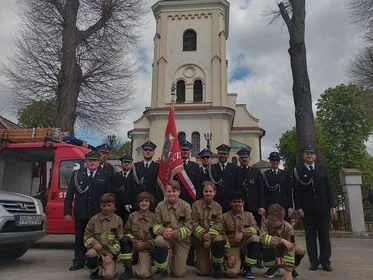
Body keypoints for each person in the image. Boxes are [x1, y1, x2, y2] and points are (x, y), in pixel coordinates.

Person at [64, 151, 111, 271]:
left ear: (98, 162)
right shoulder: (77, 174)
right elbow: (69, 195)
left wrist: (109, 212)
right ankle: (78, 261)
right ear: (86, 162)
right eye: (90, 160)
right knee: (79, 238)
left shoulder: (104, 175)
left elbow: (109, 196)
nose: (92, 163)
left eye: (94, 160)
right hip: (81, 213)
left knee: (98, 239)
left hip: (97, 215)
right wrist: (67, 212)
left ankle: (95, 260)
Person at [293, 145, 336, 272]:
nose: (309, 156)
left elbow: (329, 188)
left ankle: (325, 261)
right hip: (308, 210)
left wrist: (332, 205)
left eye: (312, 154)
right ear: (303, 156)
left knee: (324, 237)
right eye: (307, 154)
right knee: (310, 237)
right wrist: (299, 207)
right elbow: (296, 191)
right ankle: (314, 262)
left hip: (323, 209)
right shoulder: (298, 170)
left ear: (315, 156)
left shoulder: (322, 170)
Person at [152, 181, 192, 279]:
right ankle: (162, 270)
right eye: (169, 191)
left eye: (174, 191)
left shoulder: (186, 206)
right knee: (158, 241)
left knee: (178, 274)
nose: (171, 194)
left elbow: (189, 226)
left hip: (181, 239)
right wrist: (163, 231)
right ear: (165, 192)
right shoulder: (160, 206)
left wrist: (175, 233)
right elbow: (155, 225)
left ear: (178, 192)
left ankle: (174, 265)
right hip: (166, 237)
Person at [191, 181, 228, 279]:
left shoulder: (218, 207)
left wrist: (209, 237)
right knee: (203, 272)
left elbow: (219, 223)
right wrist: (203, 234)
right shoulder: (195, 205)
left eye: (211, 191)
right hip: (200, 238)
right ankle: (207, 263)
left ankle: (217, 268)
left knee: (220, 240)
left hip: (214, 236)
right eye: (206, 191)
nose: (208, 193)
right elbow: (193, 222)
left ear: (215, 193)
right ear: (202, 192)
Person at [83, 193, 124, 279]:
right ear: (100, 206)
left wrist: (111, 255)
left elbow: (119, 241)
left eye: (109, 205)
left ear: (113, 205)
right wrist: (94, 243)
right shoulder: (94, 219)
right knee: (90, 254)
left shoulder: (118, 220)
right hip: (97, 251)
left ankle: (108, 267)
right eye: (104, 205)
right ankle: (94, 271)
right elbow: (87, 236)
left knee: (108, 276)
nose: (106, 208)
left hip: (109, 253)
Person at [260, 204, 305, 280]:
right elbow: (262, 238)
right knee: (264, 244)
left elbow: (291, 248)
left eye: (273, 220)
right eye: (269, 219)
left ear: (281, 219)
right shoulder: (266, 222)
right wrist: (281, 240)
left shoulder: (289, 228)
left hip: (285, 250)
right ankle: (273, 268)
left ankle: (292, 268)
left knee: (300, 250)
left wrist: (289, 271)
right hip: (273, 248)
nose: (270, 222)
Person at [223, 192, 260, 279]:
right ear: (230, 203)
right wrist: (229, 255)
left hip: (245, 246)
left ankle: (248, 268)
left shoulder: (249, 215)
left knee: (255, 238)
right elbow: (222, 235)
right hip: (232, 247)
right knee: (231, 273)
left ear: (243, 203)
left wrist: (243, 233)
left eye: (239, 202)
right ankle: (235, 263)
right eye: (234, 202)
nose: (237, 204)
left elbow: (256, 229)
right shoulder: (224, 216)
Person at [121, 192, 157, 279]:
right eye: (141, 201)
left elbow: (155, 236)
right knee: (124, 240)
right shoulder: (132, 216)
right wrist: (134, 242)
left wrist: (145, 245)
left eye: (146, 201)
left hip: (146, 249)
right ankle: (128, 269)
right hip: (133, 247)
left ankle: (147, 264)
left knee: (143, 274)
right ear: (138, 203)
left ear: (150, 203)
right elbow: (126, 232)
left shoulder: (154, 217)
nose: (143, 203)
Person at [237, 147, 265, 227]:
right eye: (242, 158)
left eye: (246, 157)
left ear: (249, 158)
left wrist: (262, 206)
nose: (244, 159)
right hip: (241, 206)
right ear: (239, 159)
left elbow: (261, 189)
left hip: (255, 207)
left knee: (256, 228)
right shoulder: (236, 171)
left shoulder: (256, 172)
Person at [208, 144, 240, 212]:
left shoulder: (235, 168)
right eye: (220, 153)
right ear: (217, 154)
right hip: (215, 202)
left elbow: (238, 186)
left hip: (230, 203)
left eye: (225, 154)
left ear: (228, 155)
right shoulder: (212, 168)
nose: (222, 155)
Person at [262, 152, 293, 218]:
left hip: (283, 205)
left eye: (276, 160)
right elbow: (263, 192)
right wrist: (263, 207)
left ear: (279, 162)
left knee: (284, 226)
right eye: (273, 160)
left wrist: (290, 207)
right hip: (270, 205)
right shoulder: (265, 175)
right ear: (270, 161)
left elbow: (289, 192)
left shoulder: (285, 174)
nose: (275, 162)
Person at [132, 141, 162, 206]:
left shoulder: (158, 167)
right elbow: (131, 184)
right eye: (146, 150)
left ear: (153, 153)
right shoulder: (135, 166)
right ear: (143, 152)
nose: (148, 151)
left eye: (150, 150)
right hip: (138, 200)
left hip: (152, 200)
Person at [111, 154, 135, 223]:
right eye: (125, 162)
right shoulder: (115, 176)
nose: (127, 164)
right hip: (117, 208)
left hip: (130, 208)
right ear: (121, 164)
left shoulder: (135, 177)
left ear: (131, 164)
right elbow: (112, 191)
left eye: (128, 162)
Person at [178, 140, 200, 205]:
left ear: (190, 152)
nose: (185, 151)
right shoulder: (175, 165)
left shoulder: (195, 166)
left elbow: (198, 184)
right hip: (177, 197)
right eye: (183, 149)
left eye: (187, 150)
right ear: (180, 150)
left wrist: (197, 199)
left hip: (191, 197)